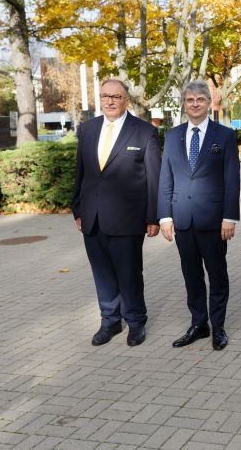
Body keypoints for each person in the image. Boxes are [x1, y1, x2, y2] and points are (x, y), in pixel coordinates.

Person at [72, 78, 161, 347]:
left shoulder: (144, 132)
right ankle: (110, 321)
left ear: (126, 100)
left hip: (129, 219)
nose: (110, 101)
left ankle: (135, 321)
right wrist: (77, 208)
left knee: (129, 273)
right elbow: (81, 172)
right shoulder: (87, 130)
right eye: (105, 96)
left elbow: (153, 177)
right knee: (102, 273)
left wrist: (153, 216)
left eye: (116, 96)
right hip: (92, 217)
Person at [158, 80, 240, 351]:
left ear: (208, 103)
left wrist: (230, 216)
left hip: (215, 220)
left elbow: (231, 179)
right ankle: (198, 324)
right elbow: (165, 180)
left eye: (200, 99)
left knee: (217, 275)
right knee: (191, 275)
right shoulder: (172, 136)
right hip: (182, 219)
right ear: (184, 103)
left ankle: (218, 327)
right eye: (190, 99)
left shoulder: (225, 135)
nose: (195, 103)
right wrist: (165, 217)